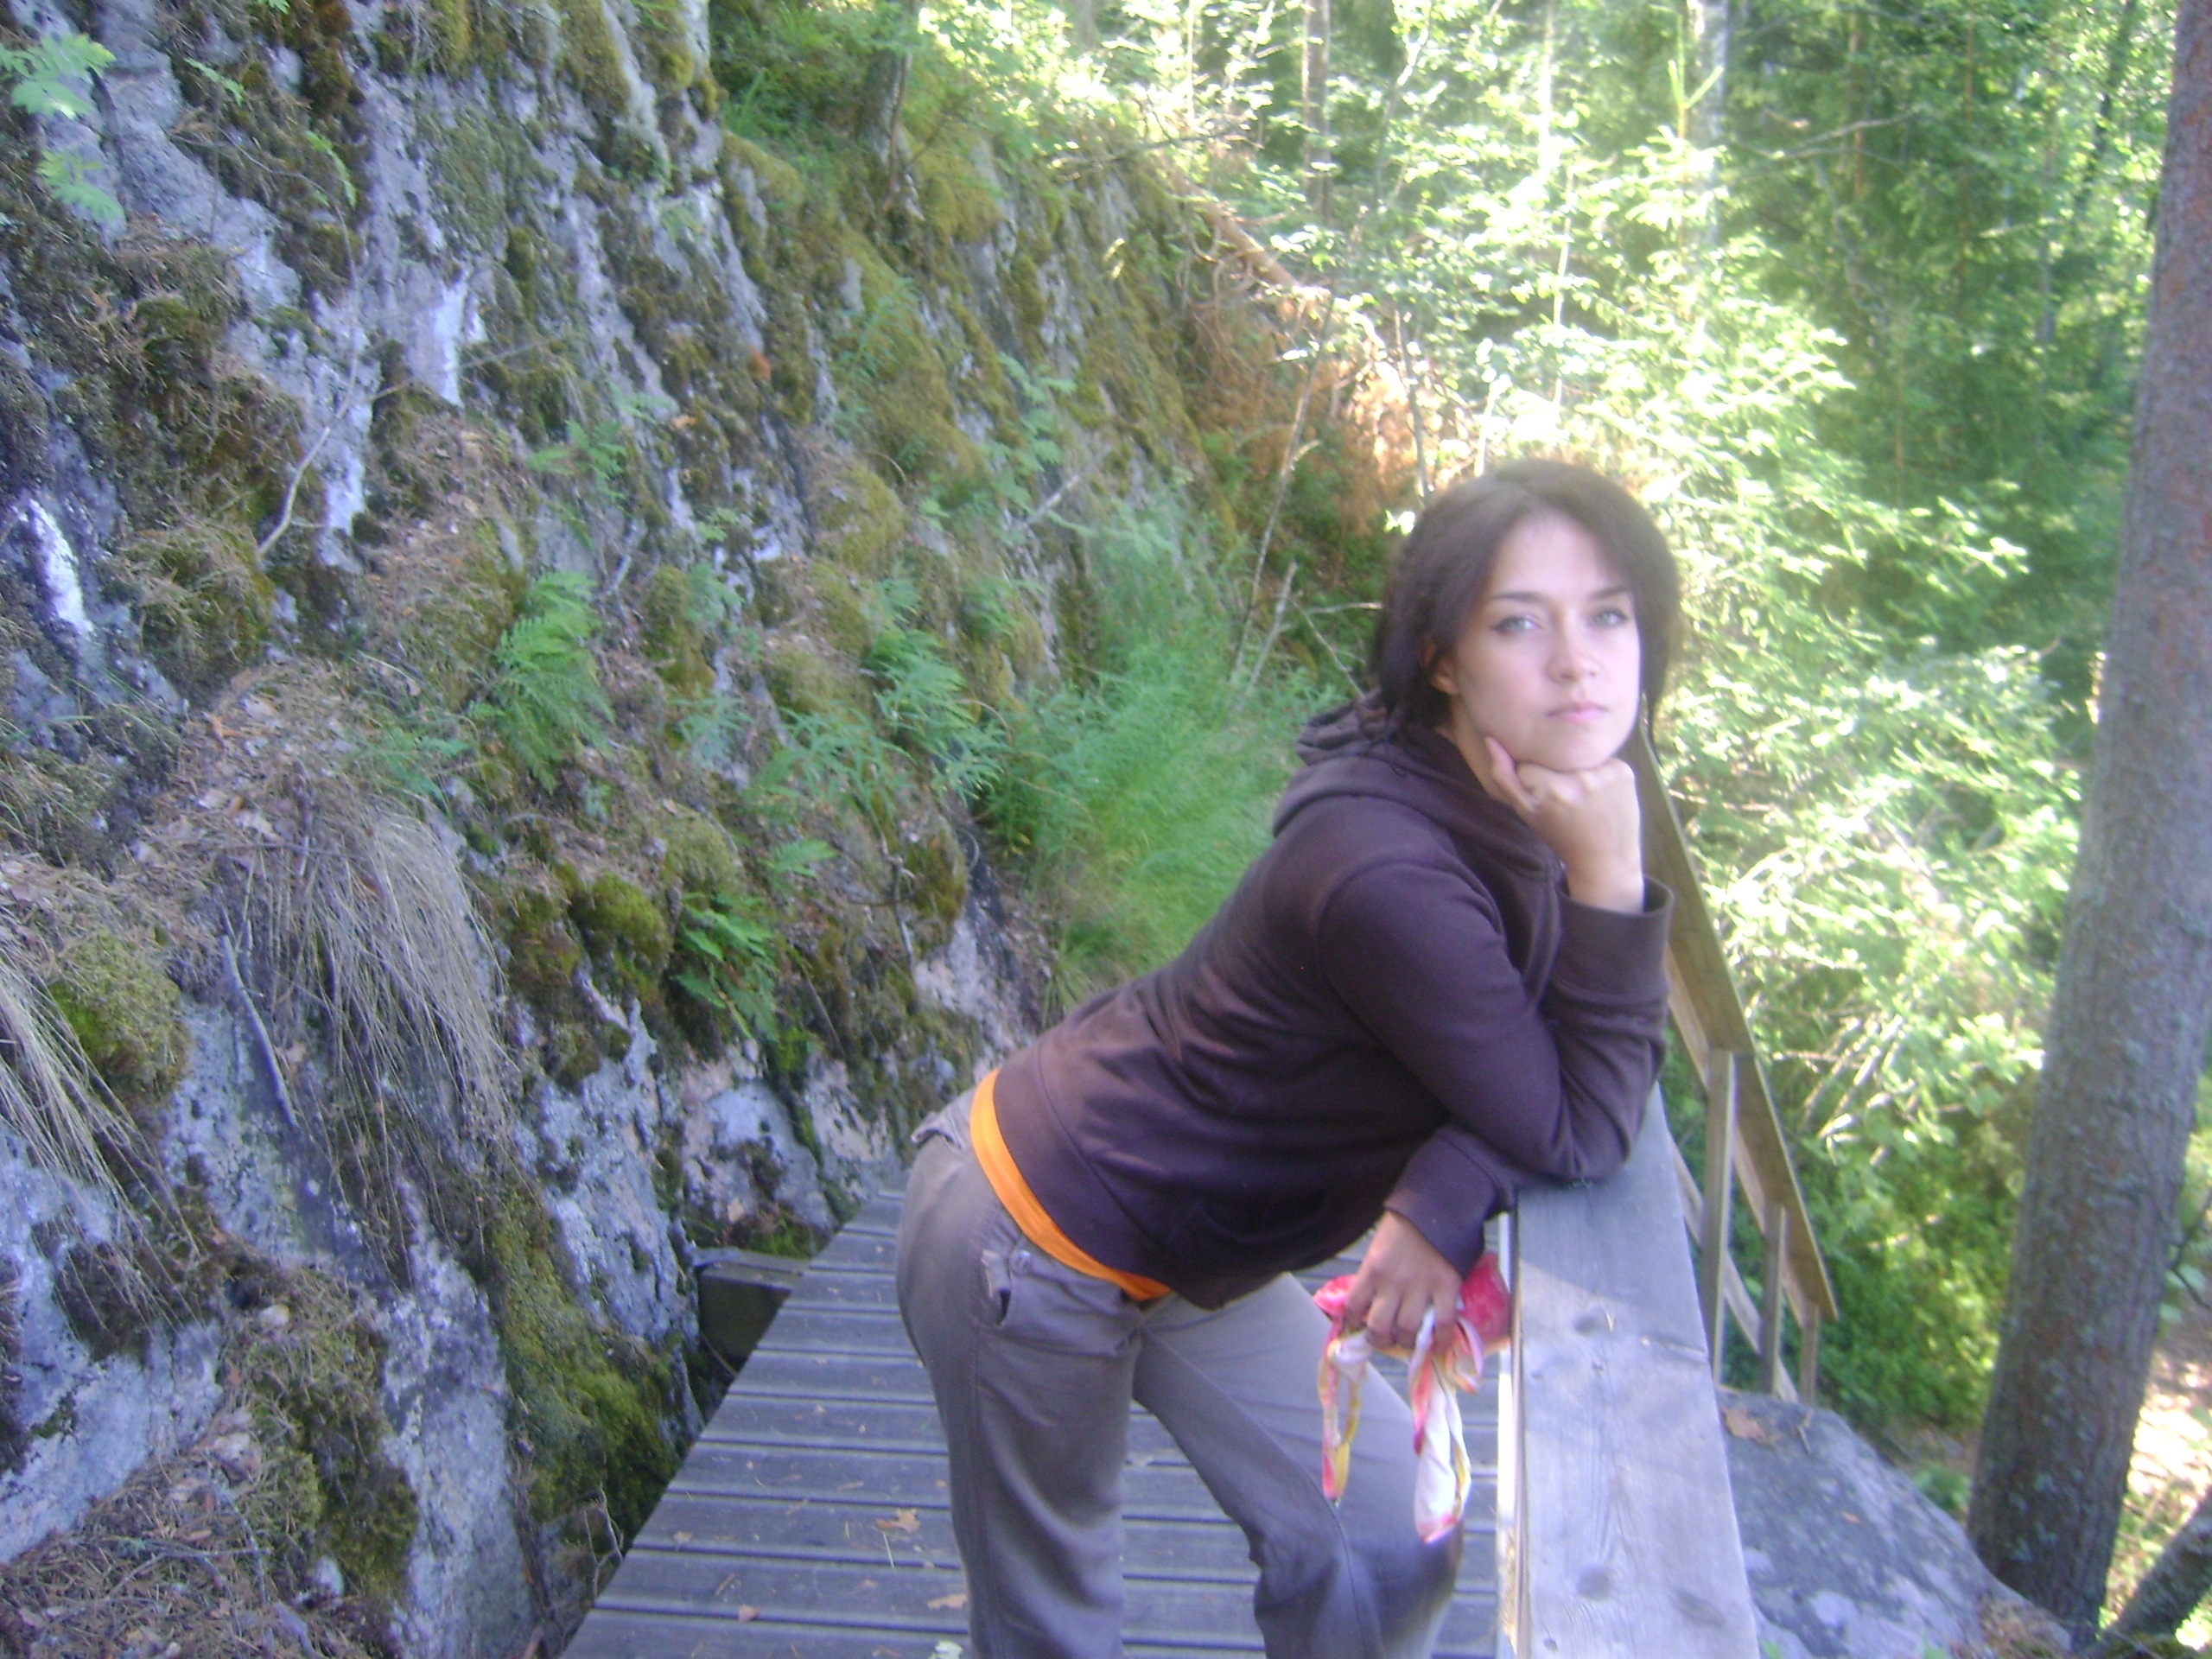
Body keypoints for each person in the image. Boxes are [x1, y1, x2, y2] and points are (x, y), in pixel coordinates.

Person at [895, 459, 1680, 1659]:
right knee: (1055, 1625)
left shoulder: (1502, 790)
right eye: (1521, 623)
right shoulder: (1388, 870)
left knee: (1388, 1544)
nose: (1578, 662)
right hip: (1029, 1229)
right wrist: (1613, 879)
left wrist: (1444, 1193)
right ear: (1442, 657)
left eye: (1609, 616)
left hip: (1180, 1238)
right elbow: (1579, 1120)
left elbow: (1537, 1060)